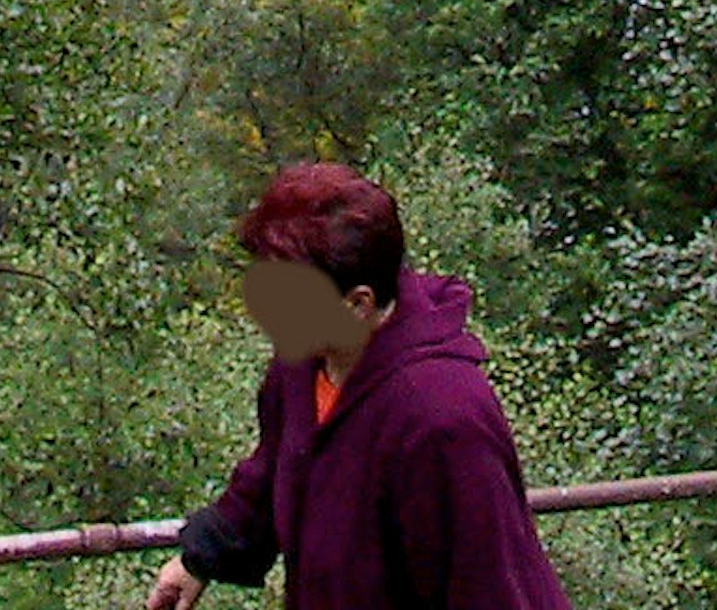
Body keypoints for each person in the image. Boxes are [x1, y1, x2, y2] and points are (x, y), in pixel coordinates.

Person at [148, 162, 575, 610]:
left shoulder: (443, 421)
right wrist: (201, 558)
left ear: (358, 303)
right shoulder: (304, 363)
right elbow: (279, 465)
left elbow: (487, 589)